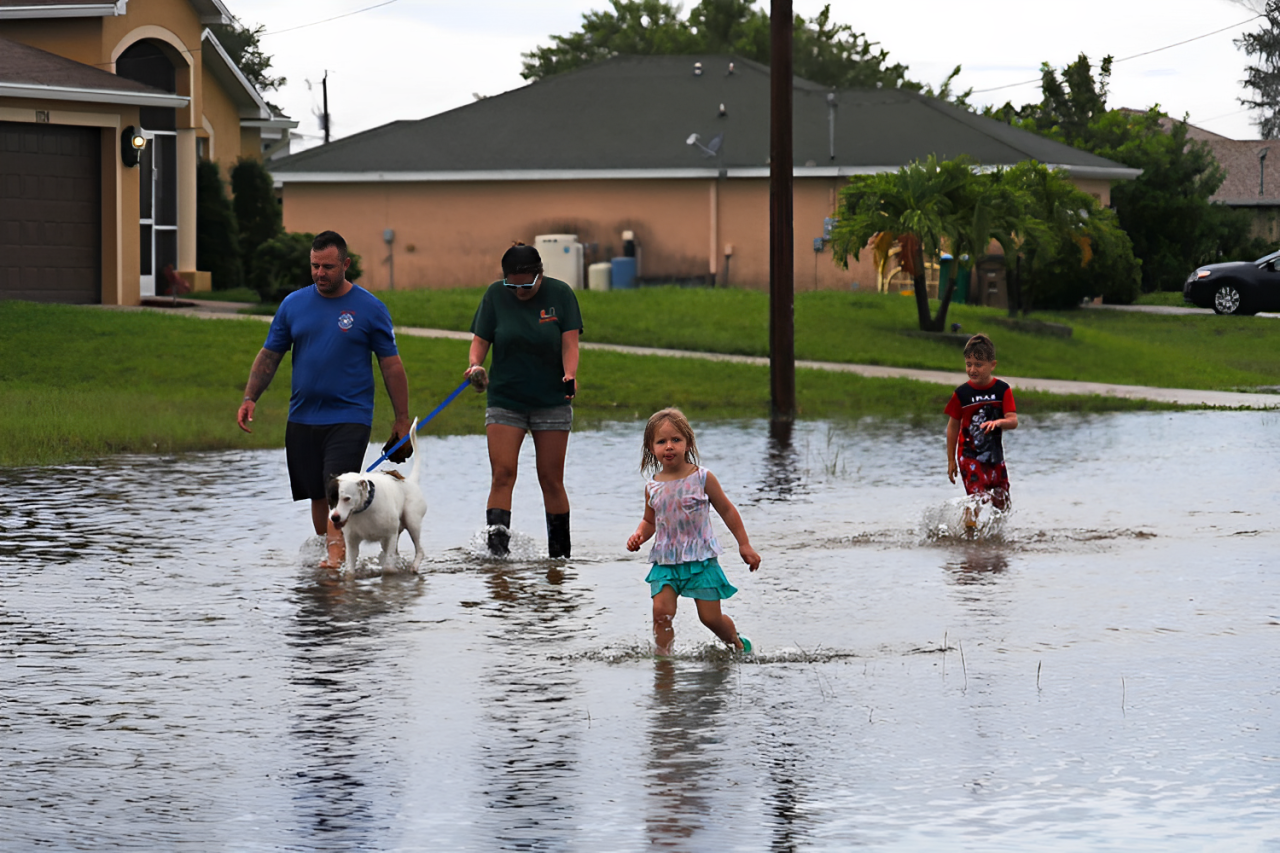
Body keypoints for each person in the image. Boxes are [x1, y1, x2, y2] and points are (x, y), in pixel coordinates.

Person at [237, 231, 412, 568]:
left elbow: (391, 365)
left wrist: (401, 418)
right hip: (303, 417)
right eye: (315, 266)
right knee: (317, 493)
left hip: (350, 416)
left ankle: (336, 556)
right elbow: (270, 355)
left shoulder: (370, 308)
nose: (320, 273)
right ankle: (332, 552)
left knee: (337, 486)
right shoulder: (293, 304)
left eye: (328, 267)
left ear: (346, 264)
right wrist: (250, 397)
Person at [465, 242, 582, 558]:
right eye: (512, 285)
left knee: (551, 478)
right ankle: (497, 554)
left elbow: (570, 344)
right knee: (503, 474)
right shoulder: (494, 296)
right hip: (506, 398)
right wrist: (475, 365)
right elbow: (479, 342)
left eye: (526, 285)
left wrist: (570, 374)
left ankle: (559, 557)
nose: (519, 291)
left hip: (552, 400)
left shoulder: (561, 295)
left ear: (540, 274)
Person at [626, 408, 760, 656]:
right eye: (661, 441)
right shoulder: (652, 486)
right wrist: (639, 535)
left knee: (710, 618)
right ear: (651, 447)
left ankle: (737, 644)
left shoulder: (702, 478)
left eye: (676, 440)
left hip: (701, 560)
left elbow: (727, 510)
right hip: (665, 561)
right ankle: (664, 660)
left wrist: (744, 545)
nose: (669, 446)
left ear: (688, 443)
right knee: (661, 614)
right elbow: (649, 521)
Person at [945, 333, 1018, 522]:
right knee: (978, 499)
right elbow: (953, 427)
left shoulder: (1002, 390)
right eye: (968, 364)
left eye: (978, 365)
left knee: (1002, 502)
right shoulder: (962, 393)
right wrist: (951, 460)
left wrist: (998, 422)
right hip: (969, 455)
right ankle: (969, 533)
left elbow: (1013, 420)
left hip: (995, 456)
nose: (972, 369)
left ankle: (994, 544)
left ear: (992, 365)